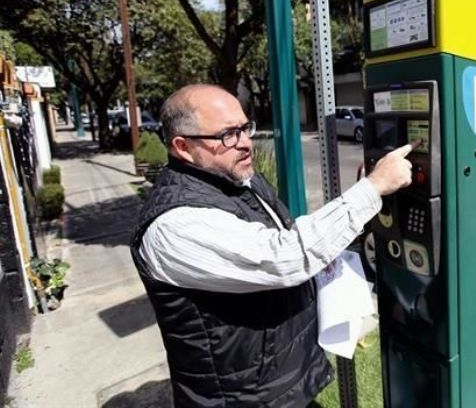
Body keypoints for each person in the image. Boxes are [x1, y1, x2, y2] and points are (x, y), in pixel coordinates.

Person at [130, 84, 413, 408]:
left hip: (278, 383)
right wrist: (373, 187)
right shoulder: (174, 226)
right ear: (182, 146)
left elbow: (282, 236)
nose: (246, 143)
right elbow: (284, 257)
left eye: (245, 128)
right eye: (228, 135)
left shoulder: (234, 179)